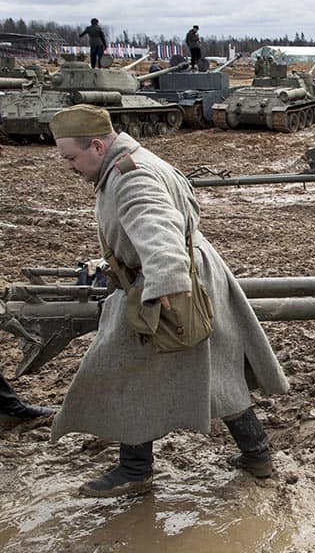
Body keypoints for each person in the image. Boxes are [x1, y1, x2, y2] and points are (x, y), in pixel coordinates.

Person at [48, 105, 289, 497]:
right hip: (191, 278)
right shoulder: (136, 158)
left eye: (71, 158)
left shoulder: (131, 178)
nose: (69, 167)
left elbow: (160, 235)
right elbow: (187, 207)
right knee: (216, 371)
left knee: (127, 370)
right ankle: (256, 455)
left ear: (96, 145)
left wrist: (166, 298)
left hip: (167, 290)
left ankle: (135, 470)